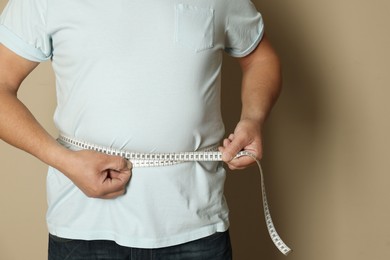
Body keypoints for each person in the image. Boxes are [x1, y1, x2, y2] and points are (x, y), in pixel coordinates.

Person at [0, 0, 281, 259]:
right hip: (83, 227)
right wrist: (64, 160)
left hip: (196, 226)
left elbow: (260, 58)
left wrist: (252, 119)